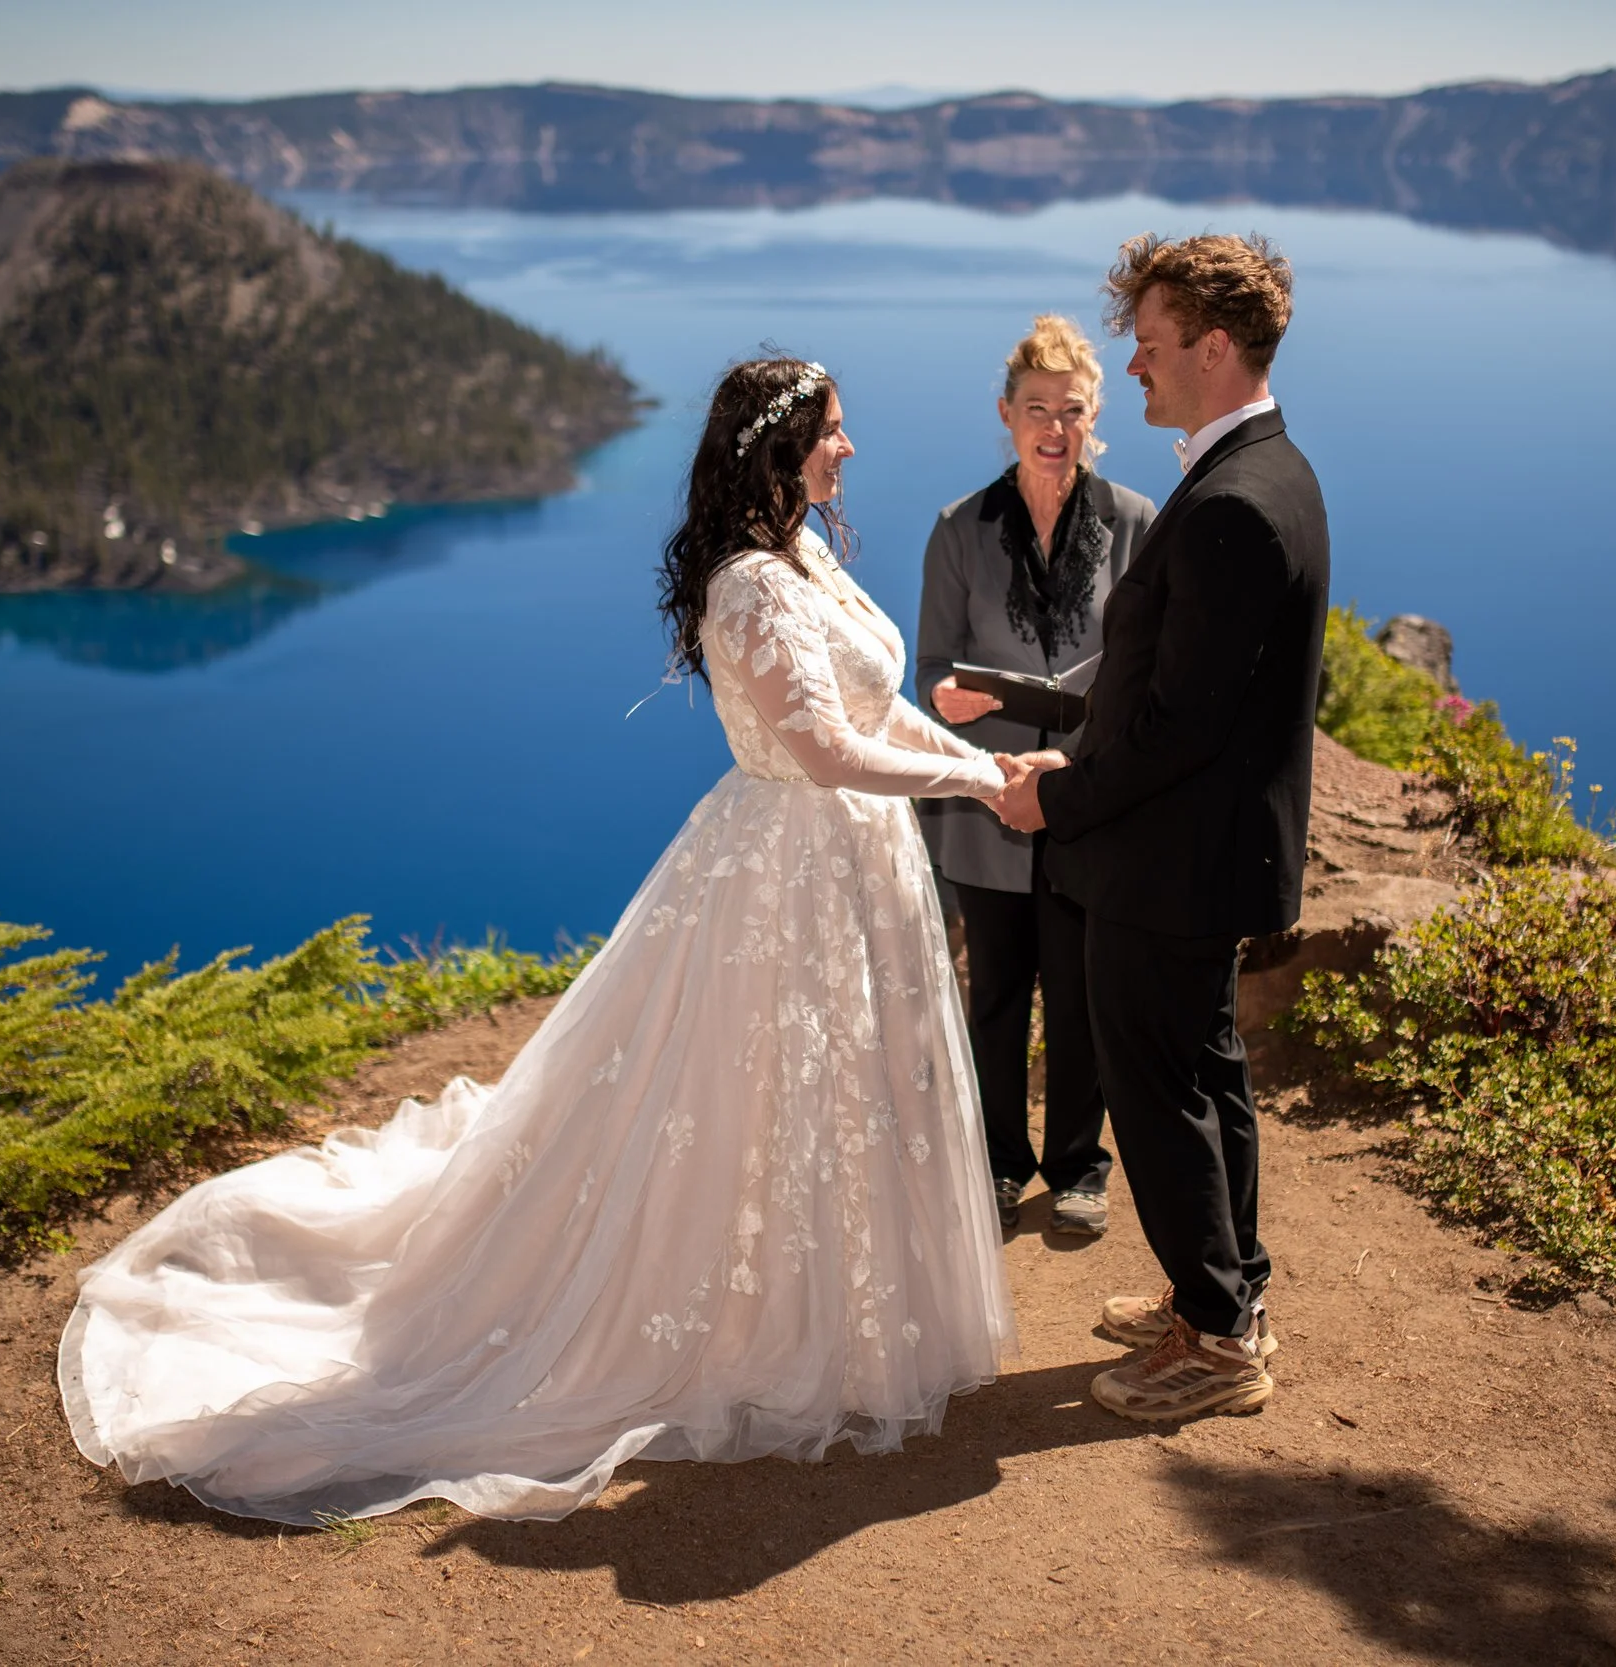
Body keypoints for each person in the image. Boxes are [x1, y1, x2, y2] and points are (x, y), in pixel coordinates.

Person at [60, 358, 1019, 1524]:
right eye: (831, 430)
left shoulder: (806, 553)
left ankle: (844, 1316)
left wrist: (986, 763)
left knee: (837, 1089)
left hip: (855, 867)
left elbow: (873, 709)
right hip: (788, 872)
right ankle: (769, 1332)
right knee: (752, 1091)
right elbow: (822, 753)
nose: (848, 447)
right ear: (777, 448)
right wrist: (979, 784)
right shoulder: (752, 586)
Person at [991, 233, 1330, 1422]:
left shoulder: (1233, 502)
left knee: (1159, 1088)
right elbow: (1178, 696)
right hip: (1201, 848)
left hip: (1173, 861)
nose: (1130, 365)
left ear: (1214, 346)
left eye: (1148, 342)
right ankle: (1227, 1294)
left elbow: (1179, 724)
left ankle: (1218, 1342)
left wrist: (1055, 796)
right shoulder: (1263, 469)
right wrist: (1073, 753)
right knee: (1206, 1071)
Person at [915, 315, 1154, 1240]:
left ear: (1095, 417)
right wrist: (950, 698)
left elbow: (1144, 671)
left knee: (1082, 994)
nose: (1056, 427)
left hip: (1088, 801)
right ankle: (1000, 1161)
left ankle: (1080, 1166)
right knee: (997, 996)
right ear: (1007, 415)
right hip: (986, 802)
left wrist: (1071, 748)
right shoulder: (958, 530)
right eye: (1037, 409)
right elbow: (932, 669)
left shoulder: (1135, 524)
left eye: (1073, 409)